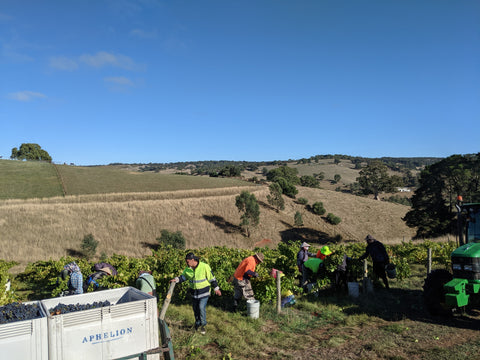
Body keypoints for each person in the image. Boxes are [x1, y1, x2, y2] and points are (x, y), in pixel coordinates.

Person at [170, 253, 221, 335]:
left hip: (204, 292)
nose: (186, 263)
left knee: (201, 307)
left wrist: (216, 288)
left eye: (188, 261)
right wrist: (176, 279)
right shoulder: (188, 269)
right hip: (194, 293)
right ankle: (197, 324)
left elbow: (212, 278)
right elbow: (183, 277)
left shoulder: (204, 266)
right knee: (195, 310)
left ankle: (203, 325)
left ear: (193, 260)